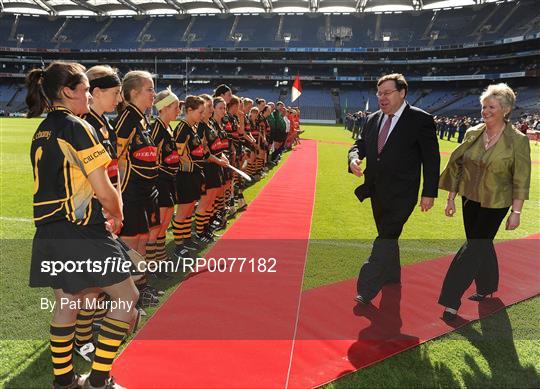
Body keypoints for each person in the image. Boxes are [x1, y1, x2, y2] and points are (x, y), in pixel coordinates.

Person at [26, 61, 137, 389]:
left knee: (67, 303)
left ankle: (64, 382)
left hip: (48, 230)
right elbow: (102, 186)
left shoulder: (42, 129)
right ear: (67, 91)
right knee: (126, 299)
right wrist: (117, 212)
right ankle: (98, 380)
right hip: (79, 229)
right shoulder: (77, 126)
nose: (89, 95)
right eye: (85, 89)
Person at [438, 83, 531, 321]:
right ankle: (487, 286)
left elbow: (521, 177)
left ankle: (450, 300)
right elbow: (458, 165)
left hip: (496, 202)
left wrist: (516, 211)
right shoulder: (473, 132)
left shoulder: (517, 141)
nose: (485, 111)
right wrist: (451, 198)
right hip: (470, 198)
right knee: (481, 243)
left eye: (491, 107)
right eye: (483, 106)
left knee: (474, 247)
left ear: (506, 110)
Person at [348, 73, 440, 304]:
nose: (382, 97)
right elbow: (359, 145)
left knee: (385, 236)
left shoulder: (421, 120)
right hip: (376, 191)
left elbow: (431, 160)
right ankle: (392, 276)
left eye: (387, 92)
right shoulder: (372, 119)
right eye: (379, 93)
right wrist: (353, 159)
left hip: (403, 194)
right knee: (390, 235)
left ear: (402, 93)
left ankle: (366, 288)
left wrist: (429, 192)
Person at [74, 65, 122, 361]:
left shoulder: (103, 123)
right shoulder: (82, 124)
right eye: (116, 93)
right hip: (88, 212)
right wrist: (106, 208)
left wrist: (117, 205)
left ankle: (87, 327)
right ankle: (81, 339)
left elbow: (111, 170)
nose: (119, 99)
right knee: (90, 282)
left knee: (97, 279)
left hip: (103, 209)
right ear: (97, 92)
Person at [114, 70, 160, 307]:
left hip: (145, 190)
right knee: (131, 242)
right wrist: (118, 198)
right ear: (134, 93)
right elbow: (116, 161)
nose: (154, 94)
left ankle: (140, 287)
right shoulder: (126, 120)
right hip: (130, 191)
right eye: (150, 89)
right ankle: (127, 296)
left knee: (143, 239)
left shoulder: (143, 119)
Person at [171, 95, 209, 258]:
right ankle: (178, 245)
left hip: (194, 174)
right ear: (189, 111)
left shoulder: (193, 128)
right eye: (200, 112)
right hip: (185, 175)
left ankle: (186, 238)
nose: (202, 115)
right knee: (183, 210)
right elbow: (179, 157)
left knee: (189, 210)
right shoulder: (182, 128)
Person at [150, 88, 181, 271]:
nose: (179, 111)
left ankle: (160, 258)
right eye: (176, 107)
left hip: (169, 180)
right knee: (157, 225)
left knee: (166, 221)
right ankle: (153, 264)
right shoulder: (155, 129)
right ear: (164, 108)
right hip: (159, 181)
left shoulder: (168, 128)